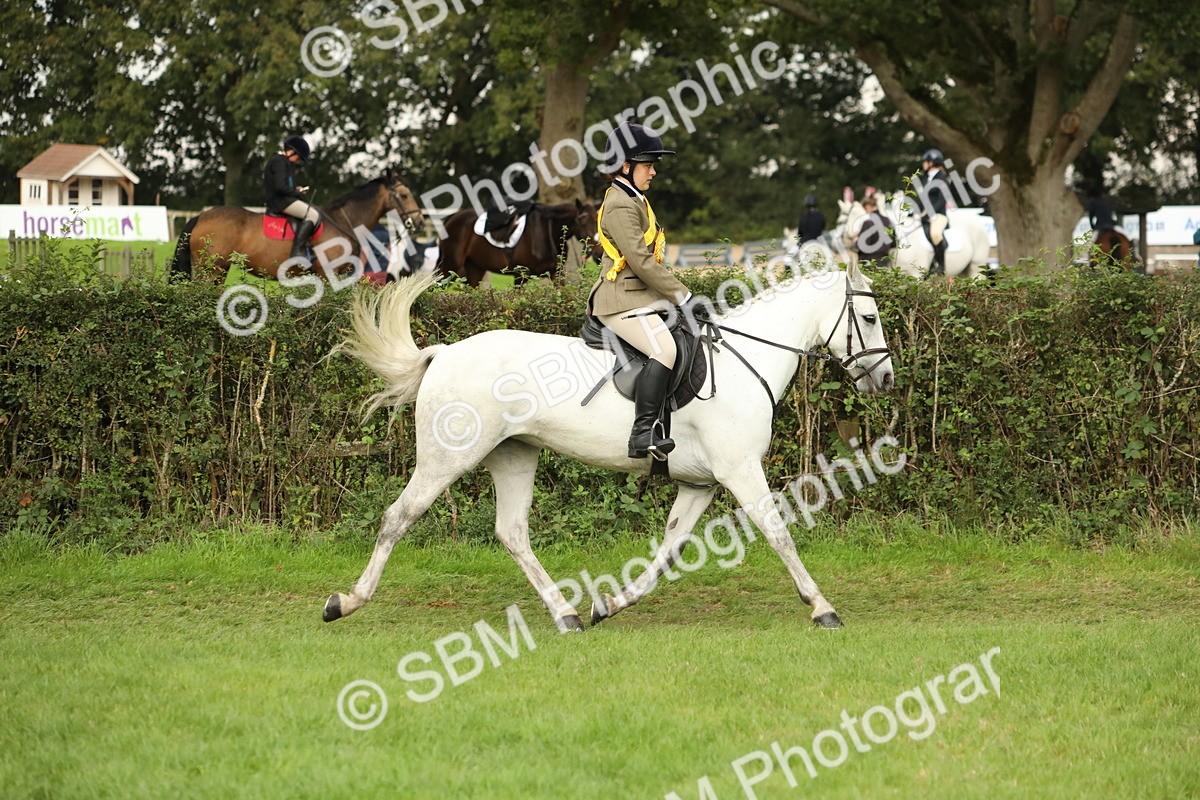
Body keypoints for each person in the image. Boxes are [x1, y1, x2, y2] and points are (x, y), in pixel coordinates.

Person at [589, 122, 700, 460]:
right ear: (626, 166)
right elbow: (639, 261)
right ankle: (641, 433)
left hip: (639, 295)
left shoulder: (634, 198)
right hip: (619, 298)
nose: (653, 172)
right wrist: (685, 297)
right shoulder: (621, 204)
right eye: (648, 164)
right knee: (663, 350)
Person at [263, 135, 320, 263]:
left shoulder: (283, 162)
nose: (297, 161)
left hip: (283, 199)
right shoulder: (280, 161)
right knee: (313, 215)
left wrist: (296, 188)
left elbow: (284, 185)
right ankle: (297, 251)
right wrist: (296, 192)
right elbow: (279, 187)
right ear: (292, 152)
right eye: (298, 158)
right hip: (280, 202)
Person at [917, 148, 951, 276]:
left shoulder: (942, 178)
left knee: (936, 233)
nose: (923, 164)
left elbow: (942, 200)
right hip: (927, 214)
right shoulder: (927, 179)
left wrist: (930, 213)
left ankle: (941, 266)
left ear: (931, 163)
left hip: (939, 214)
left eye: (925, 162)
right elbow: (923, 199)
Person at [855, 194, 895, 267]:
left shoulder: (867, 223)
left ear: (867, 206)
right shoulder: (887, 221)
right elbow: (893, 243)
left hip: (869, 264)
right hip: (885, 262)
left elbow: (863, 247)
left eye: (865, 209)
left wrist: (856, 242)